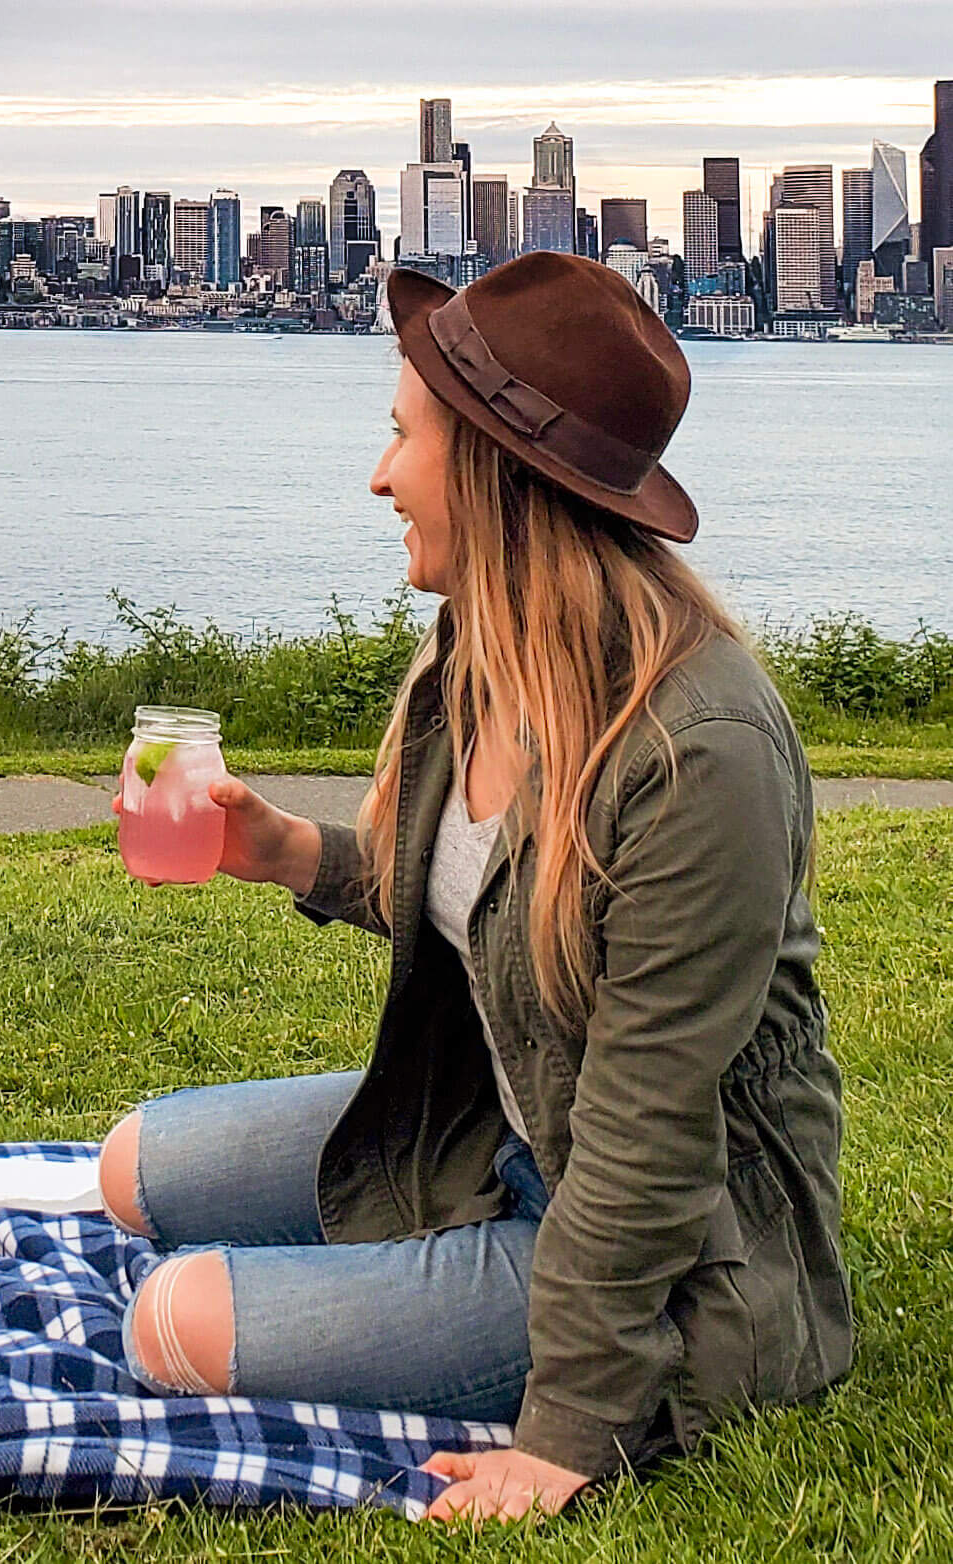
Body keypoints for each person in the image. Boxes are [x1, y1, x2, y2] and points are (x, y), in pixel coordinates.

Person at [99, 253, 852, 1524]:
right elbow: (490, 911)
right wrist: (290, 852)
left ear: (501, 473)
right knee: (130, 1168)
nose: (380, 475)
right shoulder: (484, 651)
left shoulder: (697, 748)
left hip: (680, 1252)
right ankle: (425, 1233)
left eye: (402, 438)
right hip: (498, 1132)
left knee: (171, 1324)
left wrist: (566, 1434)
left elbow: (650, 1130)